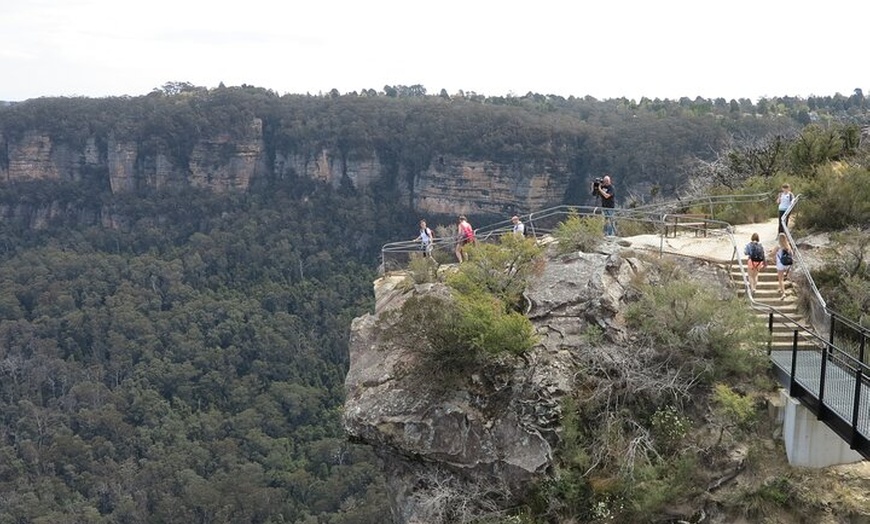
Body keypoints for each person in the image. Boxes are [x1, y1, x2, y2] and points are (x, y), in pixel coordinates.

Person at [773, 232, 792, 299]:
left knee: (780, 279)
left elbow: (772, 254)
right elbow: (791, 254)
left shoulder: (778, 246)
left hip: (780, 264)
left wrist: (770, 254)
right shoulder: (788, 246)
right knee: (783, 277)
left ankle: (783, 293)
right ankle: (780, 288)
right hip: (787, 264)